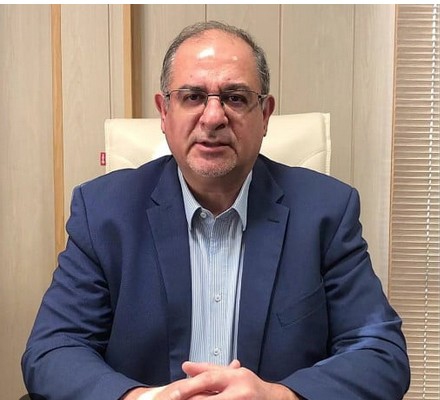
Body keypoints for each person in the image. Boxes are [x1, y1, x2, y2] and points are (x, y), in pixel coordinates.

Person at [22, 21, 410, 400]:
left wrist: (278, 396)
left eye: (235, 97)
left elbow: (380, 353)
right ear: (164, 112)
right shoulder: (103, 213)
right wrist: (142, 398)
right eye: (192, 96)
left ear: (265, 115)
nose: (213, 117)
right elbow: (54, 349)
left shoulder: (326, 212)